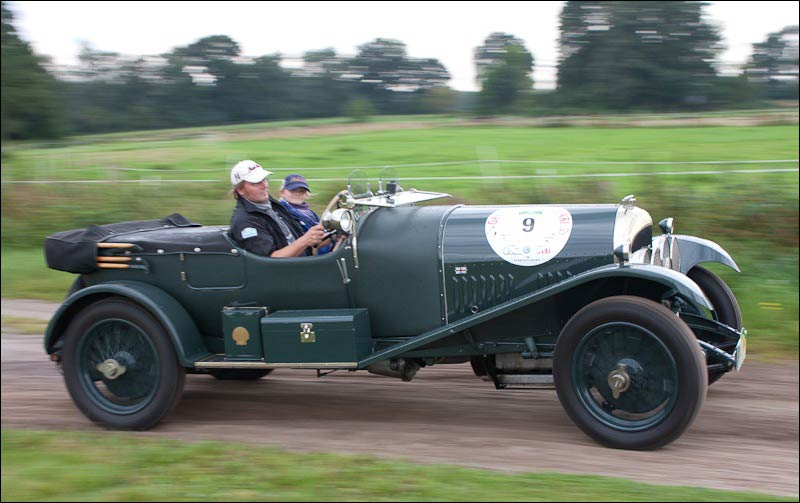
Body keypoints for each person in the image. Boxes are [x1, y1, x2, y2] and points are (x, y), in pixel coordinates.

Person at [229, 160, 326, 257]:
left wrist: (332, 235)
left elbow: (304, 244)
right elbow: (270, 260)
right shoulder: (245, 221)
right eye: (256, 183)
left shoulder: (274, 206)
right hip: (290, 266)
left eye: (264, 180)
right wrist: (304, 241)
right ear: (240, 190)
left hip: (303, 260)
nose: (264, 186)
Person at [278, 174, 334, 255]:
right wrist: (333, 236)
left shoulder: (308, 212)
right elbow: (307, 244)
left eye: (301, 191)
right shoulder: (284, 214)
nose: (297, 194)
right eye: (292, 190)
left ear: (306, 194)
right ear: (282, 192)